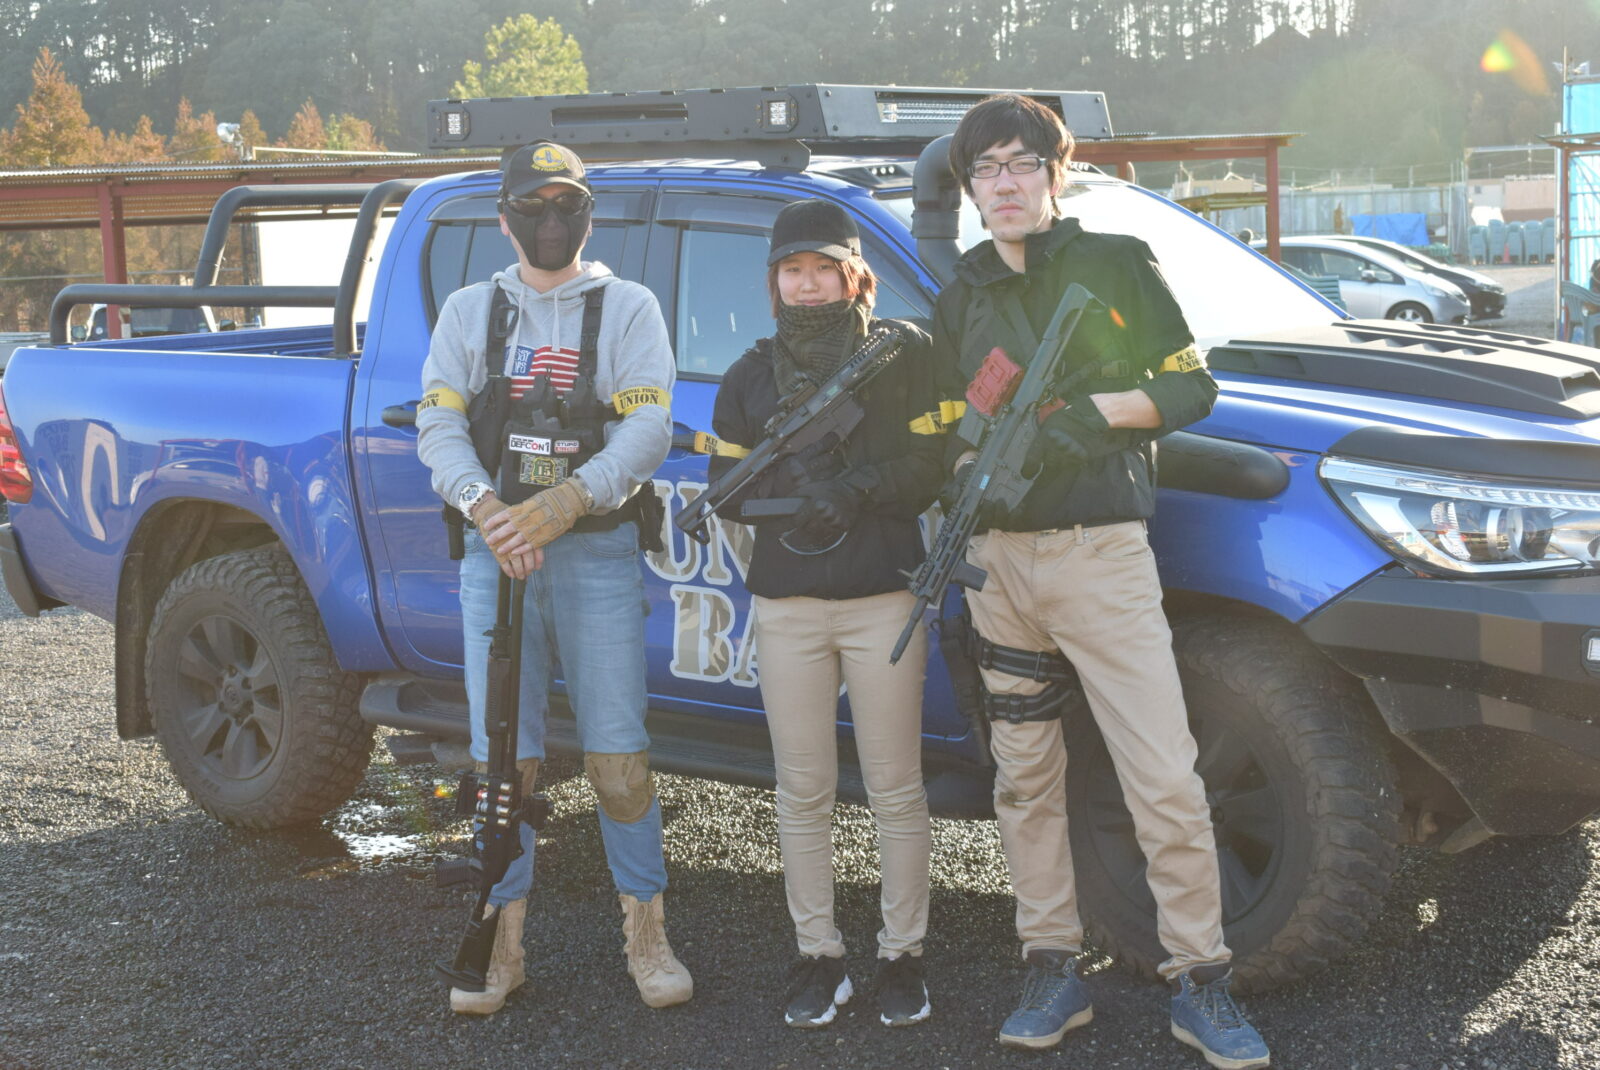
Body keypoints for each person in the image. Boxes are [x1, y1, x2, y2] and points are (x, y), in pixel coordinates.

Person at [928, 95, 1271, 1068]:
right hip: (1000, 567)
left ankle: (1200, 979)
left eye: (1019, 163)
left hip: (1098, 557)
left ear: (1055, 172)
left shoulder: (1115, 264)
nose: (1002, 183)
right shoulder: (961, 294)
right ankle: (1051, 967)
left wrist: (1097, 414)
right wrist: (965, 471)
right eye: (984, 169)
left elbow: (1189, 384)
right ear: (969, 188)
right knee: (1025, 778)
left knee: (1161, 773)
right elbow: (949, 422)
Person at [416, 140, 692, 1016]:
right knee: (506, 759)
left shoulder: (629, 307)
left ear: (588, 216)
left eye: (566, 204)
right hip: (494, 557)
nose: (550, 221)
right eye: (532, 206)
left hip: (595, 554)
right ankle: (500, 944)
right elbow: (437, 425)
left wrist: (570, 501)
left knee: (618, 759)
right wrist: (486, 509)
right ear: (504, 219)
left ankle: (647, 934)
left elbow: (649, 429)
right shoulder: (469, 312)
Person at [706, 199, 943, 1029]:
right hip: (790, 609)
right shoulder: (748, 378)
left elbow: (933, 462)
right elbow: (727, 492)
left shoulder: (901, 358)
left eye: (823, 269)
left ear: (854, 276)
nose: (808, 285)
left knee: (895, 788)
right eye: (792, 271)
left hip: (884, 599)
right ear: (773, 282)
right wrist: (794, 496)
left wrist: (858, 489)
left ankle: (903, 955)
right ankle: (819, 955)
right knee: (802, 789)